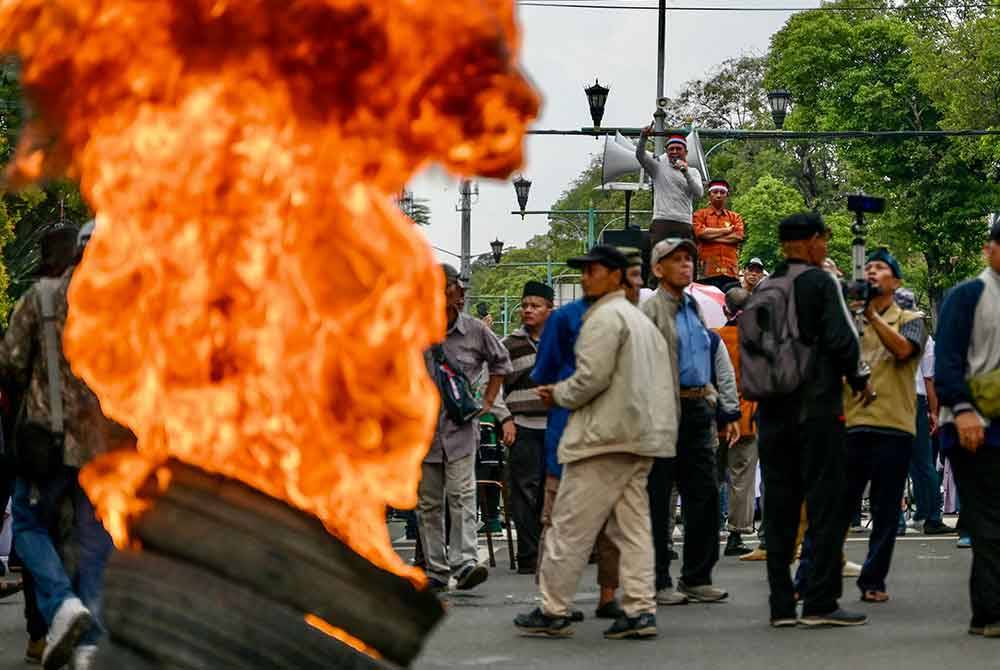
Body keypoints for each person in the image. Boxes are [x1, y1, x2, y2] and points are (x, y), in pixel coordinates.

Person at [515, 245, 676, 640]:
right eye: (585, 270)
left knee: (570, 524)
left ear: (616, 276)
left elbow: (590, 378)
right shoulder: (638, 321)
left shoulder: (604, 318)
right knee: (634, 529)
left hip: (604, 437)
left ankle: (553, 607)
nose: (586, 277)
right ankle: (640, 609)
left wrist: (559, 395)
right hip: (639, 437)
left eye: (594, 270)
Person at [2, 222, 131, 670]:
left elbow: (10, 362)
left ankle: (62, 604)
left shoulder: (42, 299)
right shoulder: (122, 310)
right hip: (98, 451)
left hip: (46, 444)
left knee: (28, 524)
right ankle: (90, 642)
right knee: (94, 542)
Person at [754, 212, 872, 628]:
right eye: (823, 240)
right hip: (817, 409)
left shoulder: (764, 287)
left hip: (771, 412)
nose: (825, 247)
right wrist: (860, 380)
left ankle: (781, 605)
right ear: (809, 241)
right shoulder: (820, 282)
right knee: (826, 503)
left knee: (780, 506)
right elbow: (843, 340)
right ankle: (821, 600)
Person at [642, 238, 735, 605]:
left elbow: (709, 360)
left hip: (698, 409)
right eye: (676, 260)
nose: (686, 265)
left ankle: (697, 576)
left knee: (705, 495)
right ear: (657, 268)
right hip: (664, 410)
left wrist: (724, 409)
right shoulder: (650, 310)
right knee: (657, 499)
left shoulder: (693, 307)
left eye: (689, 259)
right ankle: (657, 577)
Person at [532, 268, 624, 622]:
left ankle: (561, 601)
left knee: (565, 522)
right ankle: (595, 597)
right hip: (593, 435)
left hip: (581, 433)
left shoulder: (568, 319)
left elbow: (544, 374)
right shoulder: (624, 317)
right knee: (590, 522)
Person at [418, 264, 512, 593]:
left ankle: (465, 562)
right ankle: (436, 569)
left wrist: (487, 402)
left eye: (454, 288)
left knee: (461, 495)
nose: (456, 293)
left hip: (460, 429)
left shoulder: (474, 330)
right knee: (429, 503)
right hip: (423, 431)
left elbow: (501, 362)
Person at [841, 248, 927, 603]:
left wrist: (873, 316)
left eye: (881, 268)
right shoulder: (846, 319)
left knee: (885, 509)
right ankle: (814, 575)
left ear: (896, 281)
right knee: (836, 507)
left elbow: (905, 350)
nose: (872, 272)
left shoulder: (912, 316)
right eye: (869, 267)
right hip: (850, 424)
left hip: (894, 425)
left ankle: (873, 581)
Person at [935, 219, 1000, 636]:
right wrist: (961, 410)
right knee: (988, 518)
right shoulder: (969, 295)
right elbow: (947, 361)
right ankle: (991, 612)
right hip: (970, 424)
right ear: (989, 249)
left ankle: (986, 612)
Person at [493, 281, 555, 575]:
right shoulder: (507, 346)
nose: (528, 310)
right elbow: (490, 390)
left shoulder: (561, 342)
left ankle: (551, 553)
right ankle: (528, 555)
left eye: (535, 305)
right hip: (522, 428)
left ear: (549, 310)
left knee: (552, 492)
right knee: (523, 493)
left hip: (556, 428)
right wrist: (505, 419)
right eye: (525, 305)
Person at [894, 289, 950, 535]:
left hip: (892, 400)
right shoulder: (926, 338)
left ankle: (896, 520)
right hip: (916, 400)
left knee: (892, 461)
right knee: (924, 462)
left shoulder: (886, 330)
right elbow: (929, 379)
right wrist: (935, 412)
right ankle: (932, 516)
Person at [715, 287, 758, 557]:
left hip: (715, 417)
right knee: (741, 478)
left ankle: (706, 527)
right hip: (747, 418)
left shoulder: (714, 338)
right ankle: (736, 535)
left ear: (724, 310)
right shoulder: (757, 341)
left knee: (711, 477)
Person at [635, 127, 704, 282]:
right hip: (662, 221)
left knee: (686, 261)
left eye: (678, 148)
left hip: (685, 223)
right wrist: (643, 138)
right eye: (671, 148)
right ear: (666, 151)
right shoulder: (658, 167)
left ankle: (686, 293)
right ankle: (655, 292)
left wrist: (685, 173)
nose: (674, 151)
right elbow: (640, 155)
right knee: (659, 260)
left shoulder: (693, 171)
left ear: (685, 152)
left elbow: (699, 193)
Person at [693, 180, 745, 291]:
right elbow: (700, 233)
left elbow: (738, 236)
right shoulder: (699, 215)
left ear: (727, 196)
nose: (718, 195)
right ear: (709, 195)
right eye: (715, 192)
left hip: (730, 272)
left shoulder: (735, 217)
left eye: (722, 192)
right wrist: (726, 230)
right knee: (707, 306)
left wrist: (710, 237)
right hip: (707, 272)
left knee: (732, 305)